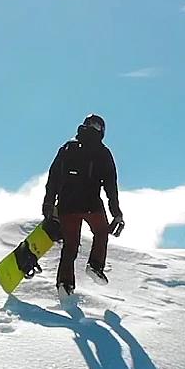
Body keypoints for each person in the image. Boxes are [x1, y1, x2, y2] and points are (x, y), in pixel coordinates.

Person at [41, 113, 125, 295]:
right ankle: (95, 266)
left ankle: (65, 284)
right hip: (90, 204)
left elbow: (53, 177)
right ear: (101, 130)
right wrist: (116, 212)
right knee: (101, 232)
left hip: (66, 205)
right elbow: (111, 186)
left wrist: (48, 204)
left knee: (70, 246)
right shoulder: (103, 152)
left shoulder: (67, 148)